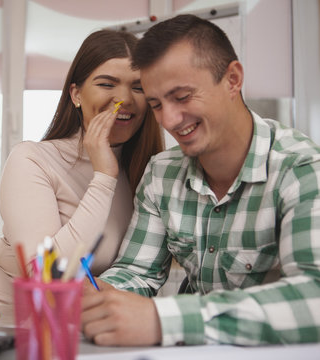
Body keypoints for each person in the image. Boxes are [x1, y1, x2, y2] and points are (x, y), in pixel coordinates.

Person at [81, 14, 320, 347]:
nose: (169, 120)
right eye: (156, 104)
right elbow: (138, 271)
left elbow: (315, 296)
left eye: (181, 97)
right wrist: (104, 296)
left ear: (233, 79)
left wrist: (162, 320)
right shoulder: (161, 173)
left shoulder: (301, 168)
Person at [0, 29, 164, 305]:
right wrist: (103, 177)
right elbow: (45, 275)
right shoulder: (31, 159)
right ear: (76, 94)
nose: (124, 98)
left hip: (72, 325)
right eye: (106, 84)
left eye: (138, 87)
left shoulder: (148, 176)